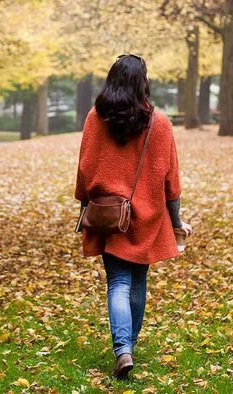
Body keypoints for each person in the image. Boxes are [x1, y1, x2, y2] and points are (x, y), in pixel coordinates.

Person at [74, 54, 191, 379]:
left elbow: (84, 169)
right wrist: (176, 221)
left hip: (109, 214)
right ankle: (128, 347)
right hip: (148, 216)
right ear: (144, 82)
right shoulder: (160, 123)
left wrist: (85, 201)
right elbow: (172, 181)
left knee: (118, 281)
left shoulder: (95, 118)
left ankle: (123, 349)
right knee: (137, 281)